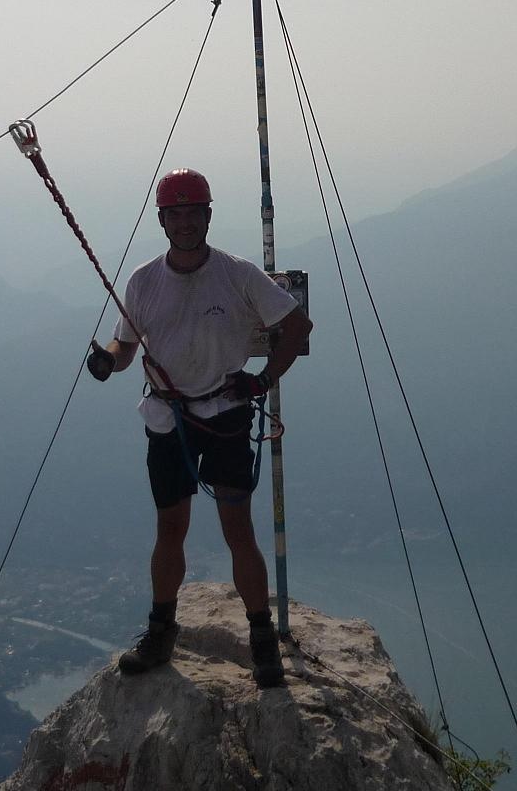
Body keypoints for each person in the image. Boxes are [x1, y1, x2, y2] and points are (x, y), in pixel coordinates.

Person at [86, 167, 313, 688]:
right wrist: (108, 358)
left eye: (193, 212)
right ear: (163, 220)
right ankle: (163, 631)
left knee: (237, 529)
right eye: (176, 214)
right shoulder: (144, 281)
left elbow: (296, 325)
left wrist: (261, 381)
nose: (185, 222)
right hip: (170, 418)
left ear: (207, 216)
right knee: (172, 528)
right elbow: (127, 345)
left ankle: (260, 640)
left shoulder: (237, 274)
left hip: (224, 413)